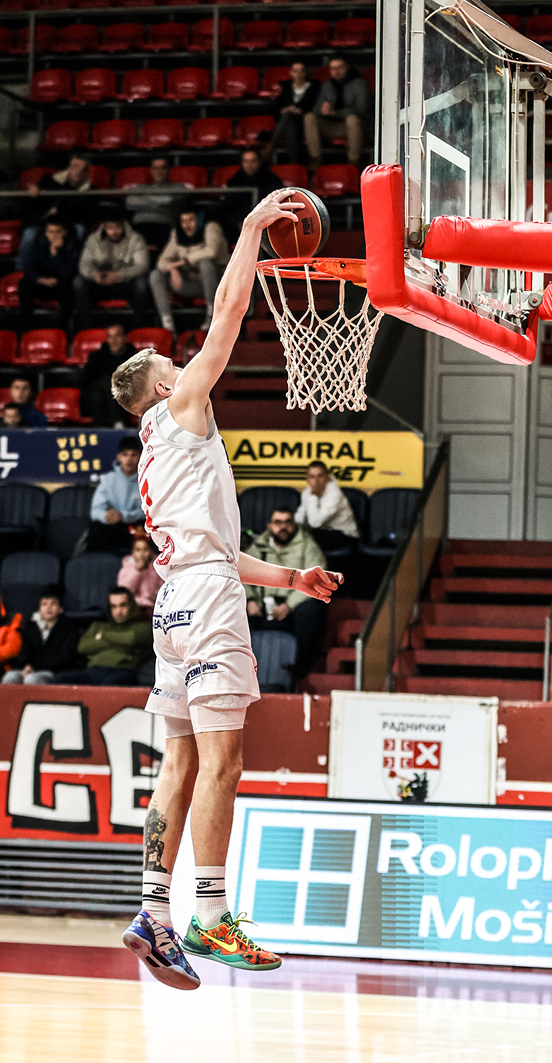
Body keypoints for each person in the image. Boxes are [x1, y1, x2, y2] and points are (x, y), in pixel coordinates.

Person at [109, 186, 342, 987]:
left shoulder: (155, 452)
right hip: (204, 604)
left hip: (177, 601)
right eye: (170, 367)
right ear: (158, 388)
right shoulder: (180, 407)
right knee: (223, 762)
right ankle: (209, 915)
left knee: (177, 764)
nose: (183, 367)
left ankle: (154, 912)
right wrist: (247, 230)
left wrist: (290, 578)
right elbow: (230, 312)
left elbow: (214, 551)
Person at [245, 506, 330, 680]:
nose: (283, 527)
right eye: (278, 522)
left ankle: (299, 670)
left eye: (288, 522)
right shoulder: (258, 547)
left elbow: (317, 580)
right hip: (262, 606)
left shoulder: (308, 546)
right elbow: (242, 574)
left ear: (294, 525)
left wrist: (289, 605)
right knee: (234, 611)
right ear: (270, 526)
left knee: (310, 611)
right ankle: (244, 671)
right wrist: (250, 600)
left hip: (294, 607)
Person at [150, 206, 229, 334]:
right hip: (190, 284)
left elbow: (211, 252)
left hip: (217, 283)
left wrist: (185, 260)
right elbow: (161, 262)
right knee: (155, 275)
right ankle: (167, 324)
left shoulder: (211, 228)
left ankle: (212, 314)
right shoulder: (177, 234)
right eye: (183, 221)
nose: (187, 225)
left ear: (199, 219)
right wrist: (173, 269)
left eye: (191, 220)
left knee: (205, 263)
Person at [54, 585, 153, 685]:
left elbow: (130, 639)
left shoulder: (143, 627)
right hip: (92, 671)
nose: (118, 611)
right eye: (113, 606)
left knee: (108, 685)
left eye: (123, 605)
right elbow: (82, 647)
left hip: (122, 671)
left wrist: (102, 636)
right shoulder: (98, 626)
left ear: (131, 606)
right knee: (59, 680)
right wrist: (119, 643)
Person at [74, 208, 151, 326]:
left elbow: (142, 266)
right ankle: (86, 328)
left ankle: (137, 326)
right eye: (110, 228)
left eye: (117, 227)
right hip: (101, 282)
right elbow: (84, 264)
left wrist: (119, 275)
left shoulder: (135, 239)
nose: (114, 231)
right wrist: (94, 274)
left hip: (125, 283)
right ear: (104, 227)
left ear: (124, 226)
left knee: (142, 284)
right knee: (79, 282)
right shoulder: (93, 239)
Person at [304, 55, 373, 168]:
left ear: (347, 67)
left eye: (340, 67)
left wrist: (336, 112)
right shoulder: (327, 85)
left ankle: (353, 161)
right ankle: (316, 159)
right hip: (330, 125)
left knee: (352, 119)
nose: (337, 71)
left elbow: (362, 109)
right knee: (309, 117)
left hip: (354, 126)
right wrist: (323, 109)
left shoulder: (359, 84)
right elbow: (316, 109)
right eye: (333, 68)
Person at [2, 586, 80, 685]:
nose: (48, 608)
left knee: (31, 679)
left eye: (53, 604)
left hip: (54, 672)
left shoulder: (69, 629)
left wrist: (35, 667)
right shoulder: (30, 628)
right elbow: (25, 652)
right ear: (39, 609)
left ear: (60, 609)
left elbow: (66, 657)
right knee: (10, 677)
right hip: (30, 669)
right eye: (44, 604)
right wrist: (27, 666)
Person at [18, 217, 79, 325]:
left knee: (67, 286)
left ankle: (64, 326)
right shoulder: (39, 243)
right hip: (42, 284)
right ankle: (27, 324)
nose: (54, 235)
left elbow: (67, 272)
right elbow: (29, 268)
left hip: (60, 285)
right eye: (51, 232)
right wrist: (40, 279)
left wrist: (55, 254)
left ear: (64, 232)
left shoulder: (72, 245)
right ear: (46, 233)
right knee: (24, 283)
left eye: (57, 232)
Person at [87, 436, 143, 552]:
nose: (129, 459)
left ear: (140, 456)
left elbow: (149, 513)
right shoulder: (108, 479)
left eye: (133, 455)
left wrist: (123, 516)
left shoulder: (146, 479)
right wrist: (106, 516)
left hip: (135, 528)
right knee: (97, 528)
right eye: (125, 455)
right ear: (119, 457)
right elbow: (95, 511)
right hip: (114, 527)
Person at [124, 157, 190, 252]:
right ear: (151, 170)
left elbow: (167, 201)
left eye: (163, 168)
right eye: (156, 168)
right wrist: (159, 202)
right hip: (139, 224)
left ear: (169, 170)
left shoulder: (178, 187)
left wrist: (143, 200)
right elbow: (130, 202)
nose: (159, 171)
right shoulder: (141, 187)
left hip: (164, 224)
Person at [80, 322, 137, 428]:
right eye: (110, 337)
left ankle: (100, 430)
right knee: (101, 386)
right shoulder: (96, 357)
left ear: (125, 338)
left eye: (117, 336)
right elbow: (87, 382)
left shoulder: (134, 358)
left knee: (108, 382)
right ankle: (117, 422)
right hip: (97, 402)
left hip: (125, 401)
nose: (113, 341)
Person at [295, 461, 359, 553]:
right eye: (312, 477)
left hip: (344, 535)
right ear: (308, 480)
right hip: (322, 533)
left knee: (304, 540)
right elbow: (300, 515)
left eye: (320, 476)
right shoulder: (307, 492)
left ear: (327, 477)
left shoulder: (334, 494)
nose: (316, 480)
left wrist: (314, 496)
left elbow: (315, 523)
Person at [268, 62, 320, 164]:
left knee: (289, 118)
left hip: (305, 125)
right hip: (288, 124)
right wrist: (283, 110)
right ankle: (293, 162)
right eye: (295, 71)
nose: (298, 74)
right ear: (291, 73)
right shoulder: (286, 87)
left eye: (301, 71)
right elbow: (276, 106)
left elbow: (314, 106)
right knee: (289, 119)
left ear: (305, 73)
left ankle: (271, 145)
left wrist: (301, 110)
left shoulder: (314, 87)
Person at [117, 532, 161, 616]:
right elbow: (124, 592)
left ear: (151, 552)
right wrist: (137, 571)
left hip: (152, 607)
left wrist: (157, 595)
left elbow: (162, 586)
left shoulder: (157, 568)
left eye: (145, 550)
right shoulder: (126, 568)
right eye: (138, 550)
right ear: (133, 552)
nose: (141, 554)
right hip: (133, 607)